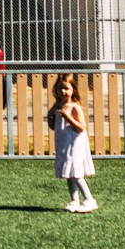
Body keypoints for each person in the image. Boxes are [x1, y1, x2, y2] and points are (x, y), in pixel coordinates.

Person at [49, 75, 97, 213]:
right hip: (64, 144)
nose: (63, 92)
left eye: (66, 88)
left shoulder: (74, 107)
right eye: (60, 88)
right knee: (68, 173)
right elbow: (54, 126)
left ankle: (89, 199)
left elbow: (81, 127)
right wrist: (51, 116)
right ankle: (74, 200)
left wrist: (67, 116)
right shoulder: (57, 106)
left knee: (76, 173)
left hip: (75, 143)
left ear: (73, 90)